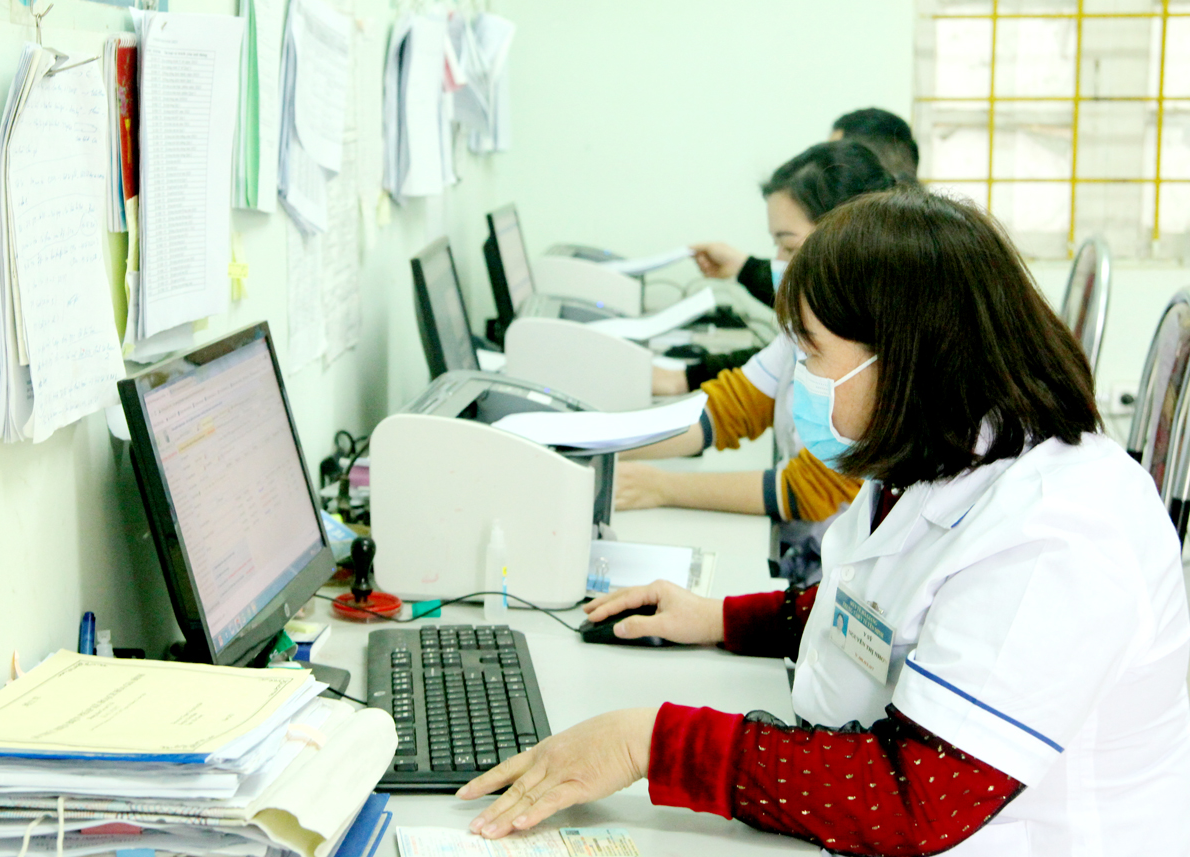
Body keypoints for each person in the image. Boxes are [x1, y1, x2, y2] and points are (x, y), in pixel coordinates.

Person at [457, 188, 1190, 855]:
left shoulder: (1058, 533)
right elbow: (884, 615)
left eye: (812, 353)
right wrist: (723, 618)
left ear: (904, 358)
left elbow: (912, 796)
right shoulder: (937, 456)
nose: (798, 379)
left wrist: (651, 741)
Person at [624, 142, 893, 585]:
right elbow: (726, 410)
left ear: (844, 237)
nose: (778, 265)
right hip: (807, 563)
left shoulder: (878, 353)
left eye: (787, 247)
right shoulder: (800, 329)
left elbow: (810, 490)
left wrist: (660, 486)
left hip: (840, 582)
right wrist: (598, 446)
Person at [654, 108, 918, 398]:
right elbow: (760, 380)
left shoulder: (894, 352)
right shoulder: (821, 326)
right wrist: (742, 267)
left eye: (790, 247)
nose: (826, 164)